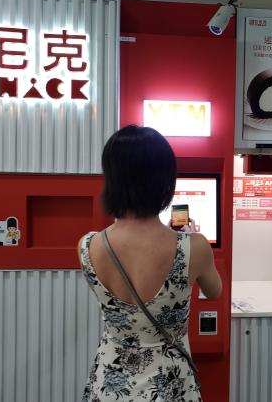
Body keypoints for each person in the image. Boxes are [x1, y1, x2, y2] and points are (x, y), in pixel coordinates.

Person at [78, 125, 222, 402]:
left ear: (112, 178)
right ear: (165, 181)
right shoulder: (195, 247)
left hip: (110, 382)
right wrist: (185, 241)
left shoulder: (87, 245)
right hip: (171, 385)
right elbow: (214, 292)